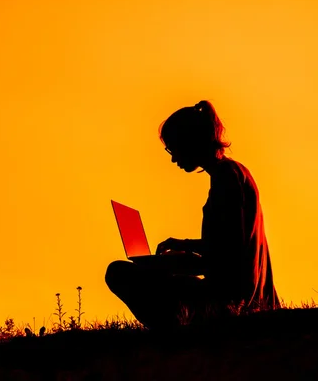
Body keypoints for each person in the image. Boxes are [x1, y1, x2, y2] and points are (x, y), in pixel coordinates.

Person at [105, 100, 280, 329]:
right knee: (155, 276)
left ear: (190, 142)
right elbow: (223, 249)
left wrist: (175, 261)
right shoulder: (235, 173)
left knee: (118, 273)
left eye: (173, 148)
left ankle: (174, 335)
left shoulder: (227, 179)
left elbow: (223, 256)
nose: (173, 158)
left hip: (230, 303)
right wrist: (182, 251)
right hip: (240, 296)